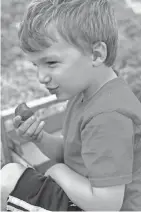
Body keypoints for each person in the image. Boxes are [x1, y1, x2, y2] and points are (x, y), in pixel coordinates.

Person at [1, 0, 141, 211]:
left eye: (51, 63)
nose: (41, 77)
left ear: (96, 54)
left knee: (7, 181)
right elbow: (73, 153)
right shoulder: (86, 93)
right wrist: (38, 137)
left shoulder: (109, 116)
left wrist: (58, 171)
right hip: (85, 193)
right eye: (35, 65)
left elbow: (106, 205)